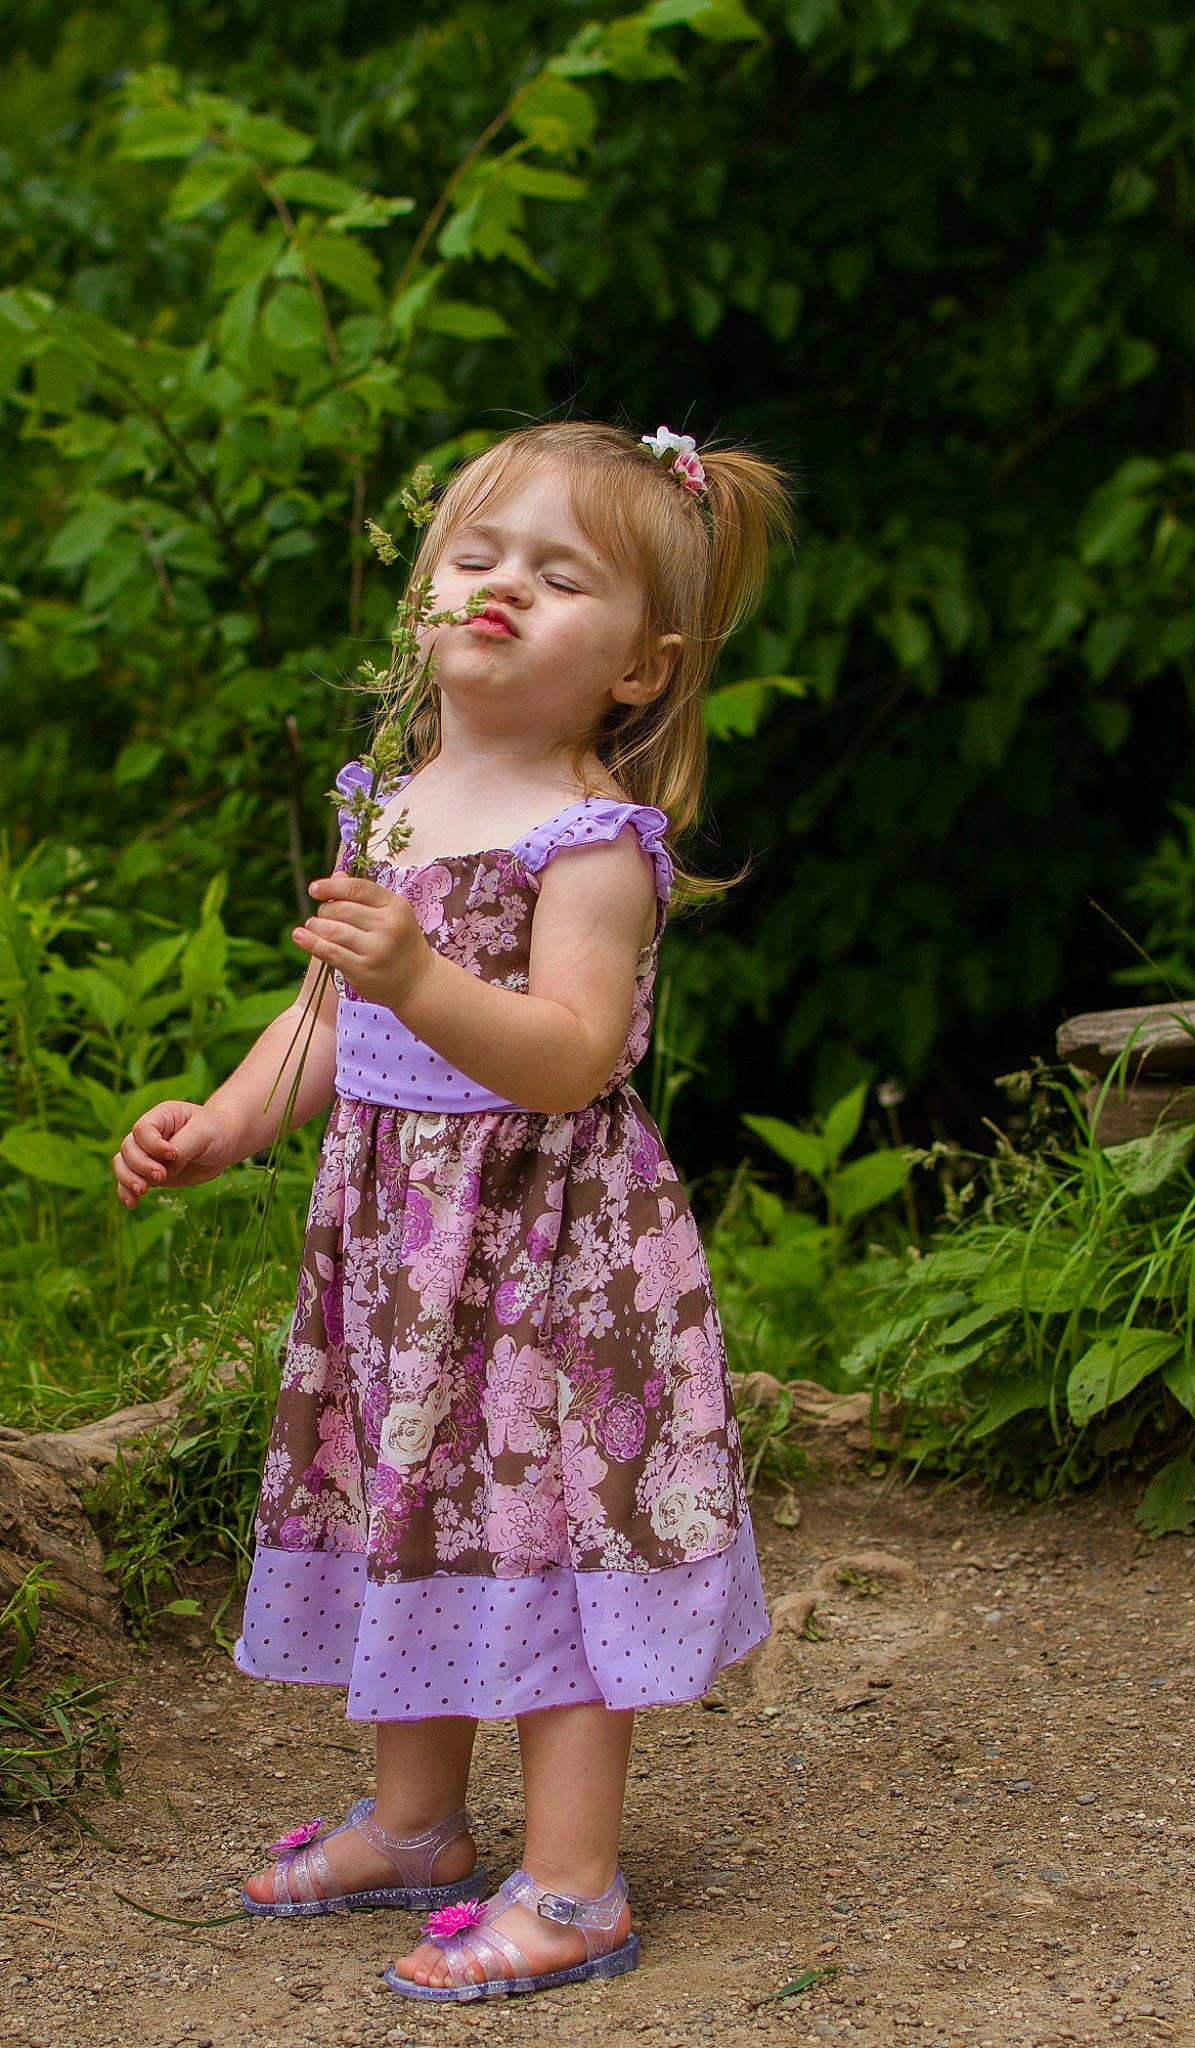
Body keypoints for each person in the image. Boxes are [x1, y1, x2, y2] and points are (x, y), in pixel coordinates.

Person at [112, 419, 793, 2005]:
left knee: (546, 1542)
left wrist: (419, 967)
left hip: (546, 1253)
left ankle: (573, 1886)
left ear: (640, 666)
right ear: (422, 591)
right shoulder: (397, 802)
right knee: (401, 1516)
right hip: (395, 1251)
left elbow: (563, 1062)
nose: (498, 590)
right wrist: (223, 1119)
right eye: (472, 558)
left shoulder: (594, 842)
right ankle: (415, 1825)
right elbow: (333, 1021)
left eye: (558, 578)